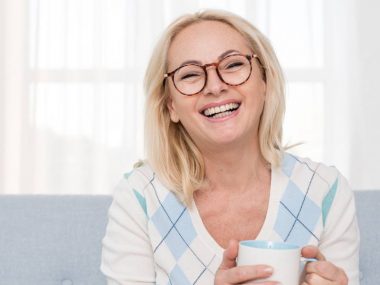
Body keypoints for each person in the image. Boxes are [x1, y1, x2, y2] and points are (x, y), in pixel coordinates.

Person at [101, 9, 359, 285]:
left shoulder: (326, 190)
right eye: (190, 75)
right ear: (170, 105)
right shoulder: (140, 197)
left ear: (265, 82)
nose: (214, 86)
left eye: (233, 65)